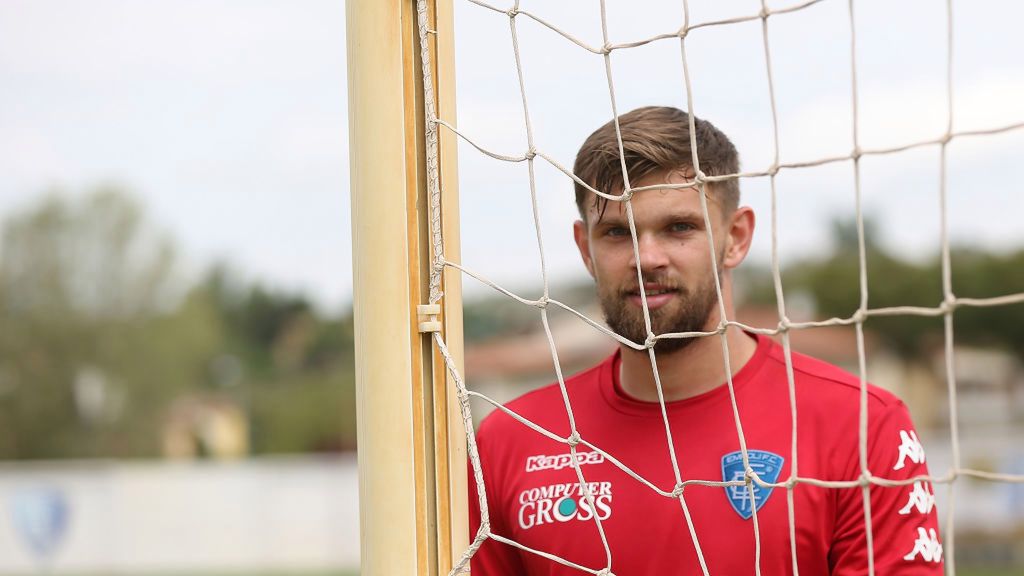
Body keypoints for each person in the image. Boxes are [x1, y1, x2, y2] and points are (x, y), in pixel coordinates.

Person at [468, 106, 943, 575]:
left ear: (735, 237)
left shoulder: (862, 426)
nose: (647, 257)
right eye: (617, 232)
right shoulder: (512, 440)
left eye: (679, 227)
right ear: (585, 248)